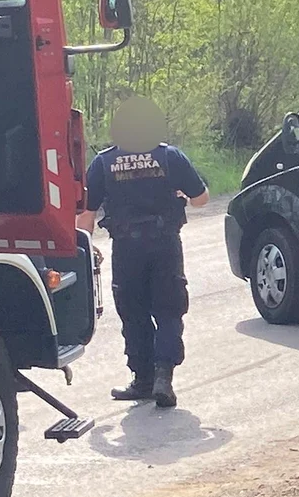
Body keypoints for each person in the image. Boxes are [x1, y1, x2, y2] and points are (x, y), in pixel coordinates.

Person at [75, 97, 209, 409]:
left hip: (126, 248)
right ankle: (164, 377)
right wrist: (182, 197)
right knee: (169, 309)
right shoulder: (170, 156)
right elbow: (201, 198)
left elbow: (87, 214)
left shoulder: (104, 162)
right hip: (165, 244)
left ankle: (142, 379)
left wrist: (86, 245)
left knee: (133, 312)